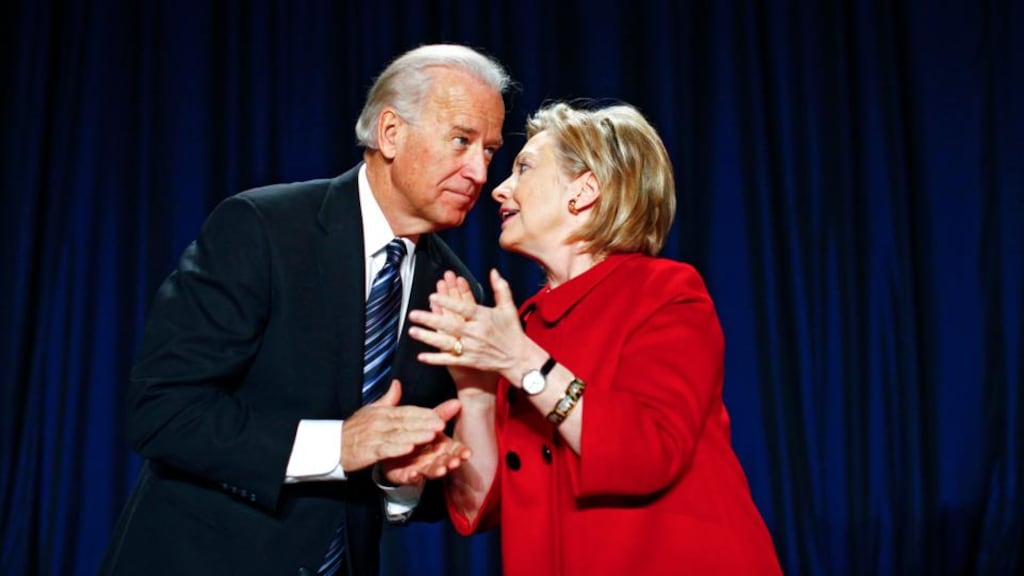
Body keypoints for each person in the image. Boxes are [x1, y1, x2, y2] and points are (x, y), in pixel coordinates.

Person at [100, 44, 511, 576]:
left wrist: (398, 481)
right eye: (462, 141)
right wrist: (337, 444)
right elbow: (161, 410)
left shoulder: (457, 292)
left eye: (491, 151)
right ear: (390, 133)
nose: (479, 171)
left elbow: (416, 486)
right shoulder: (263, 228)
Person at [407, 102, 783, 574]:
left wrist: (523, 363)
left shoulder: (665, 292)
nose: (499, 188)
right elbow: (485, 504)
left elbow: (649, 452)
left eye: (523, 168)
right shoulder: (523, 326)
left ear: (583, 190)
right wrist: (474, 390)